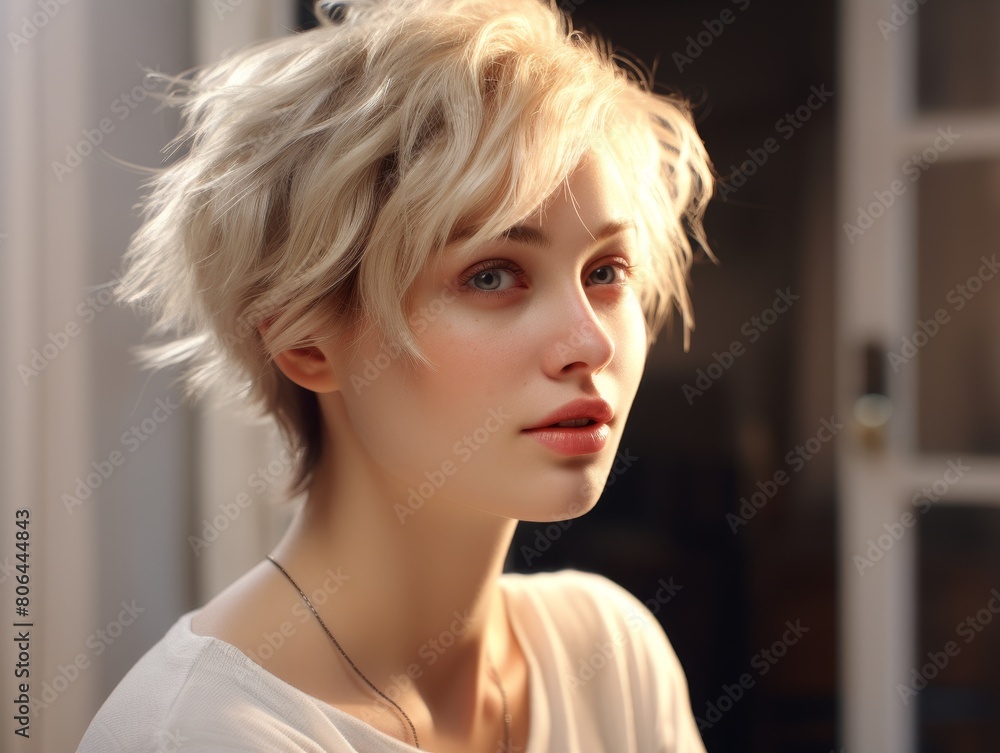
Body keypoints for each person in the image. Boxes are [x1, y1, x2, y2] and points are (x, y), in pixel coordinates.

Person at [76, 0, 714, 750]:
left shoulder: (608, 652)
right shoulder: (198, 732)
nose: (590, 342)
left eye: (605, 270)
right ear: (306, 342)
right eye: (492, 275)